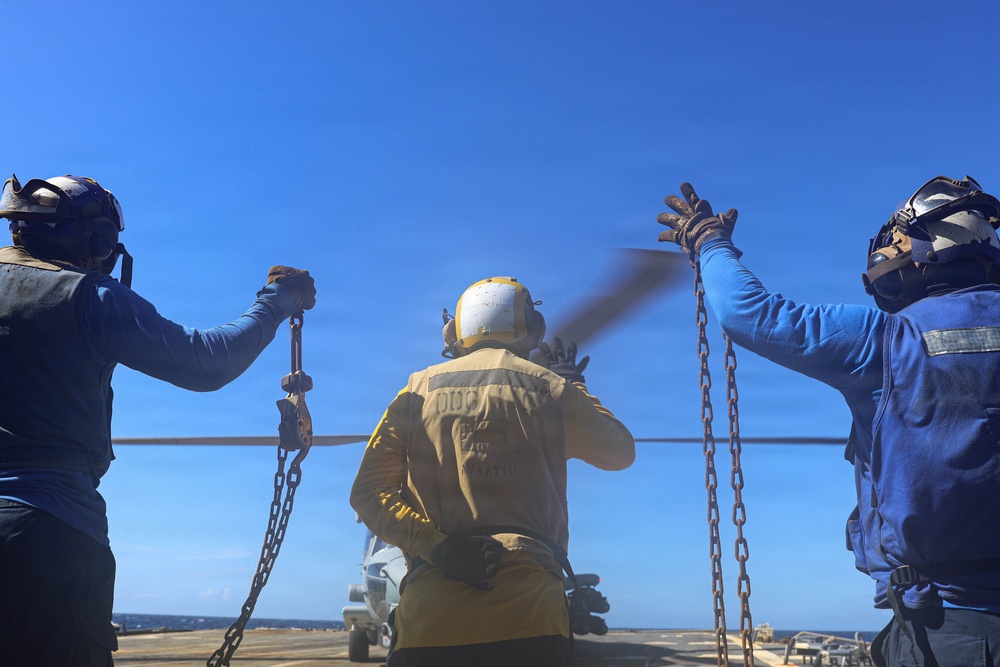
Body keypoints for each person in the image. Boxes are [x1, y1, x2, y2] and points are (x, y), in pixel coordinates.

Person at [656, 176, 1000, 666]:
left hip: (950, 631)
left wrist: (711, 243)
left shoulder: (887, 340)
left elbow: (749, 314)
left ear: (921, 249)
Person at [0, 174, 316, 667]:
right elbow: (205, 362)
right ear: (96, 241)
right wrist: (277, 301)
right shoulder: (89, 295)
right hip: (48, 534)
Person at [349, 276, 635, 667]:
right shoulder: (550, 389)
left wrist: (440, 548)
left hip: (431, 625)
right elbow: (619, 453)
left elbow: (368, 494)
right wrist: (574, 384)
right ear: (531, 327)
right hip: (532, 623)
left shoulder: (415, 391)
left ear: (457, 332)